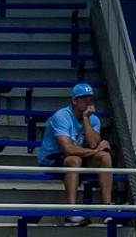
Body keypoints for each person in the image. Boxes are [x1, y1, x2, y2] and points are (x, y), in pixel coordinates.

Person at [37, 83, 112, 227]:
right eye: (84, 99)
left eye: (90, 99)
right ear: (74, 101)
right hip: (53, 156)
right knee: (74, 160)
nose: (88, 102)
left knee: (105, 157)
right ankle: (70, 212)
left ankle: (107, 209)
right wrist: (96, 151)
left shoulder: (93, 119)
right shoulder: (61, 116)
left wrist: (86, 119)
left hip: (80, 153)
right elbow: (67, 149)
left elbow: (93, 144)